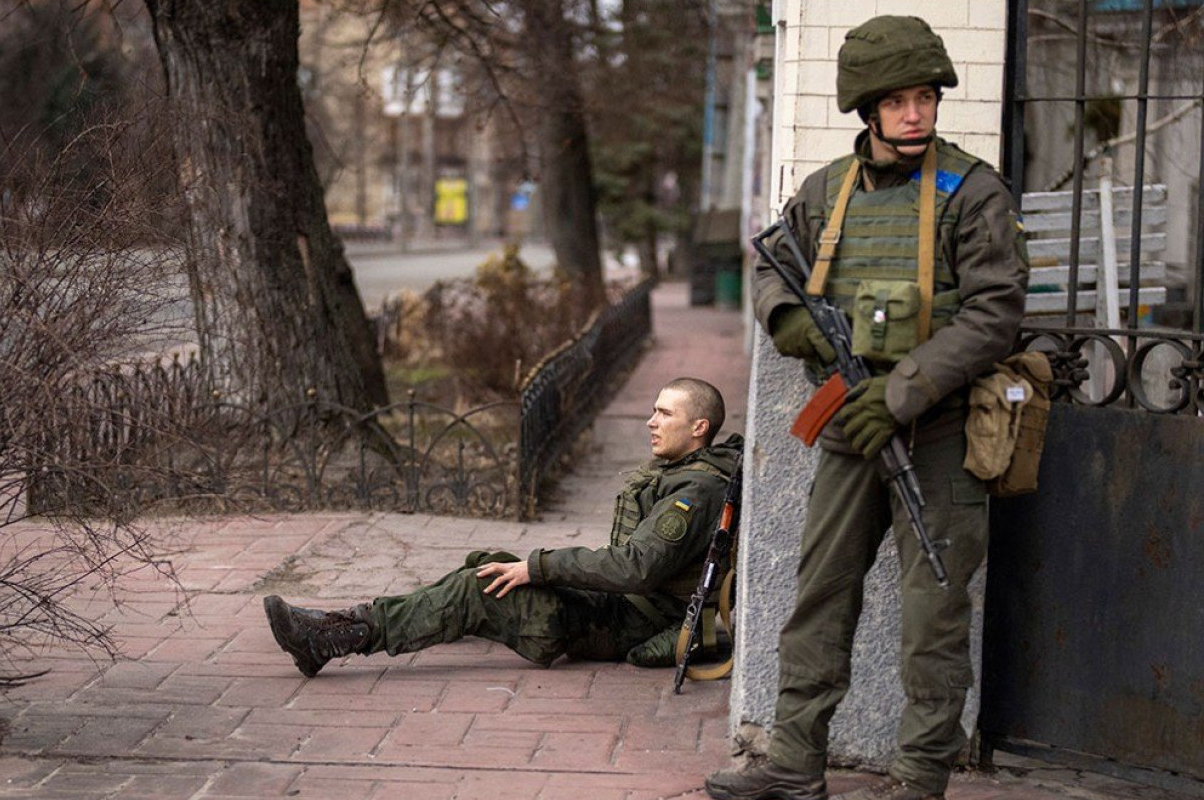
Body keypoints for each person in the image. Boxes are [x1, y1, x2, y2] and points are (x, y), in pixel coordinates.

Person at [704, 16, 1029, 800]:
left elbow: (994, 313)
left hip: (942, 430)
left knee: (935, 613)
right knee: (820, 593)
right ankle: (792, 759)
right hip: (851, 423)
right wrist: (787, 321)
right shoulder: (828, 192)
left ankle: (919, 778)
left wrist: (904, 391)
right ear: (867, 110)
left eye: (925, 97)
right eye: (897, 100)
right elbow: (772, 266)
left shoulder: (973, 192)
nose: (915, 113)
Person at [263, 377, 743, 678]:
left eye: (664, 413)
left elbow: (635, 569)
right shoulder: (688, 474)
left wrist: (540, 567)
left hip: (625, 621)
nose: (650, 421)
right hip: (622, 606)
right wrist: (536, 568)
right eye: (653, 409)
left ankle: (332, 637)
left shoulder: (693, 493)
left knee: (481, 588)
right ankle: (386, 620)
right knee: (485, 566)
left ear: (699, 427)